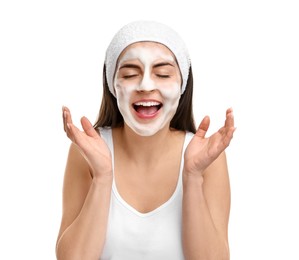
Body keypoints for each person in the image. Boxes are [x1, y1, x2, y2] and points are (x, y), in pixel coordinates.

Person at [56, 20, 235, 260]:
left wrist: (192, 176)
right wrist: (102, 177)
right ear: (112, 86)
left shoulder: (207, 157)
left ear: (182, 86)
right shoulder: (87, 151)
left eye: (162, 74)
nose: (146, 85)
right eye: (130, 74)